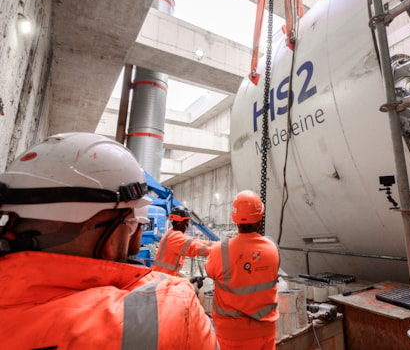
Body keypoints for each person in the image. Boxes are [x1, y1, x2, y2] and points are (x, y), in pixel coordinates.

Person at [0, 132, 218, 350]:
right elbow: (198, 248)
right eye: (132, 226)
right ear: (111, 234)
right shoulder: (174, 307)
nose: (135, 238)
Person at [205, 190, 280, 350]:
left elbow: (210, 272)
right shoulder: (273, 249)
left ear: (235, 219)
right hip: (265, 332)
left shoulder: (219, 251)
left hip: (232, 336)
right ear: (260, 220)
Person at [151, 206, 213, 278]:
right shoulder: (174, 237)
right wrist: (216, 250)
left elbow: (195, 241)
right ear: (181, 223)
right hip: (162, 278)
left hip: (166, 274)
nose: (187, 225)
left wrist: (217, 244)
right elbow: (194, 247)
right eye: (186, 222)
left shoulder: (172, 233)